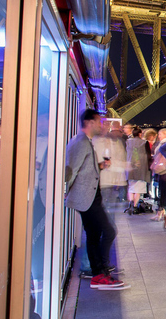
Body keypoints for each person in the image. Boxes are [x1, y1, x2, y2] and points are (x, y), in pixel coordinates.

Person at [64, 109, 129, 290]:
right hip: (87, 197)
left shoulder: (84, 142)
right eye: (99, 122)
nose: (101, 125)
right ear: (90, 122)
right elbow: (71, 169)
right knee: (108, 231)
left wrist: (99, 166)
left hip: (90, 196)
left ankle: (98, 275)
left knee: (93, 235)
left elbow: (82, 168)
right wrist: (64, 190)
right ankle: (102, 272)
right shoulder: (82, 142)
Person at [125, 127, 151, 214]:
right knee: (138, 189)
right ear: (140, 134)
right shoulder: (144, 142)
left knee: (131, 188)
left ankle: (130, 204)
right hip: (141, 169)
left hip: (130, 168)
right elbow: (148, 156)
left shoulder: (128, 142)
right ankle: (135, 206)